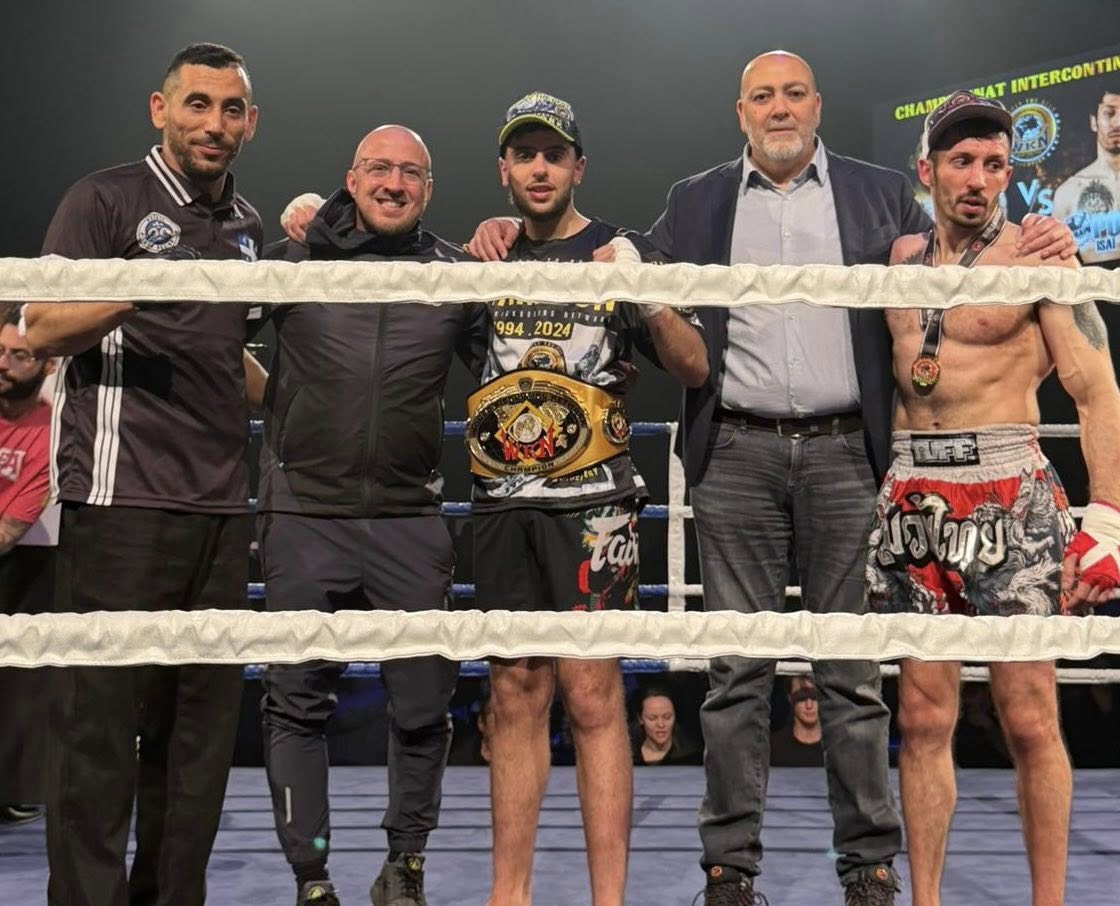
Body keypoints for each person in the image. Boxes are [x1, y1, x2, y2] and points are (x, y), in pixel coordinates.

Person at [464, 57, 1074, 906]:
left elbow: (957, 244)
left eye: (793, 95)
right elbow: (623, 263)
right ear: (740, 112)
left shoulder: (877, 195)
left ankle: (868, 866)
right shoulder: (697, 199)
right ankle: (730, 868)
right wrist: (503, 227)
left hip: (847, 450)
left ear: (817, 106)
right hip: (738, 453)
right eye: (763, 97)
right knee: (735, 672)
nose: (779, 109)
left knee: (850, 674)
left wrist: (1045, 236)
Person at [23, 42, 265, 905]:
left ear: (250, 123)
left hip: (221, 510)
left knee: (197, 740)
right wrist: (137, 285)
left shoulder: (247, 226)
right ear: (160, 110)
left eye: (230, 109)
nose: (214, 123)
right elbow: (40, 325)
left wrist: (310, 398)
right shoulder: (105, 198)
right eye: (197, 104)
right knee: (97, 730)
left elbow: (228, 354)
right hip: (120, 500)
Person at [867, 89, 1119, 906]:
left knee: (1030, 715)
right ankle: (926, 900)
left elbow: (1097, 390)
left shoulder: (1039, 257)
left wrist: (1107, 522)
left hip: (1009, 489)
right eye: (962, 161)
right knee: (922, 719)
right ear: (927, 170)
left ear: (1010, 174)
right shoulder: (895, 260)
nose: (978, 179)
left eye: (994, 165)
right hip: (915, 496)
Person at [473, 92, 708, 906]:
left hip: (596, 506)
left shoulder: (619, 250)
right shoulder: (484, 260)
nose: (539, 169)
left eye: (554, 155)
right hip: (503, 502)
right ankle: (509, 895)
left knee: (594, 695)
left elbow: (693, 365)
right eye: (525, 155)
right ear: (504, 171)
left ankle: (609, 899)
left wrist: (644, 291)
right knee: (514, 694)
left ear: (579, 167)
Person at [256, 124, 488, 906]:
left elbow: (516, 362)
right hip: (304, 514)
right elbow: (210, 334)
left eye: (411, 172)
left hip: (407, 517)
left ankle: (405, 865)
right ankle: (312, 877)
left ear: (429, 189)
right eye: (379, 169)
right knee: (295, 700)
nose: (394, 183)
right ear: (350, 179)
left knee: (424, 701)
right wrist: (282, 418)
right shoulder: (293, 260)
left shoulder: (454, 274)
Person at [0, 307, 56, 824]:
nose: (4, 363)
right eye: (0, 352)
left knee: (22, 676)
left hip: (29, 556)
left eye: (19, 355)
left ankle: (12, 787)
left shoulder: (51, 426)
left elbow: (12, 528)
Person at [1051, 89, 1120, 265]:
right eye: (1109, 113)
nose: (1118, 123)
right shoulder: (1068, 191)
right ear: (1094, 122)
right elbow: (1058, 262)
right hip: (1093, 280)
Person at [631, 685, 700, 766]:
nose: (661, 724)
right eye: (652, 718)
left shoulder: (692, 756)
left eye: (667, 717)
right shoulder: (627, 754)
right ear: (640, 719)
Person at [768, 675, 824, 767]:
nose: (809, 705)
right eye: (801, 696)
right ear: (789, 698)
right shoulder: (771, 747)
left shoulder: (838, 746)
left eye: (815, 696)